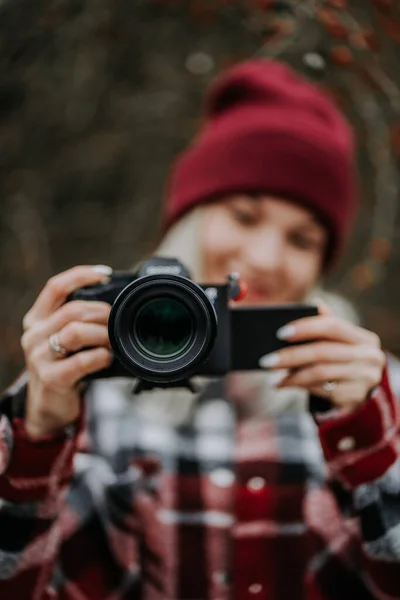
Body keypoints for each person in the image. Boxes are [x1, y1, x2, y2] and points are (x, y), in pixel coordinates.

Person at [0, 59, 399, 600]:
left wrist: (370, 444)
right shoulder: (85, 381)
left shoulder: (373, 392)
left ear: (322, 264)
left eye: (302, 240)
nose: (264, 258)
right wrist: (38, 433)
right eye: (244, 215)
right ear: (191, 219)